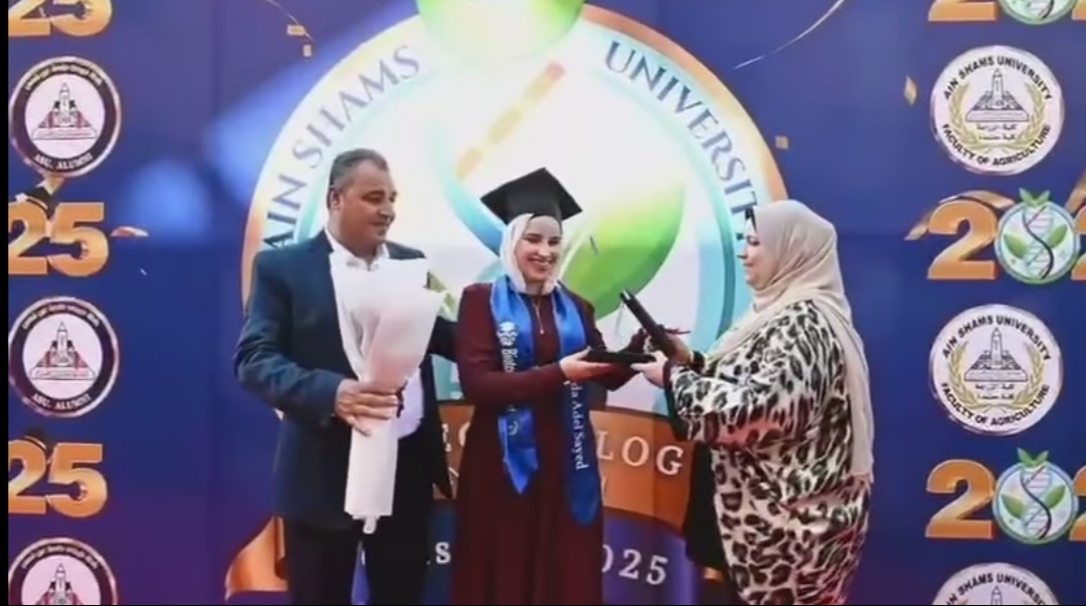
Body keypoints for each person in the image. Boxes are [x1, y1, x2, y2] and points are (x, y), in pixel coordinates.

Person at [234, 148, 455, 605]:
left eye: (392, 198)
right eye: (374, 198)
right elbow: (254, 360)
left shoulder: (410, 262)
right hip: (322, 475)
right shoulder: (282, 269)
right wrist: (332, 392)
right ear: (335, 198)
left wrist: (530, 331)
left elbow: (441, 336)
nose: (388, 210)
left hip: (406, 472)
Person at [635, 199, 873, 605]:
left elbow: (759, 412)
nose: (744, 253)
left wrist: (674, 378)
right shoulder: (777, 312)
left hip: (779, 540)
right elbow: (752, 381)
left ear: (791, 250)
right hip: (752, 527)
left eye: (756, 243)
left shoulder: (803, 324)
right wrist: (690, 361)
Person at [449, 168, 643, 605]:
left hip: (566, 463)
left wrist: (638, 348)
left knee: (562, 571)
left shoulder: (576, 306)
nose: (545, 251)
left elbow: (603, 371)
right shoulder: (480, 301)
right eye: (533, 239)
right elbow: (479, 385)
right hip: (502, 465)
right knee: (504, 569)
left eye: (554, 242)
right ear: (511, 242)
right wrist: (559, 373)